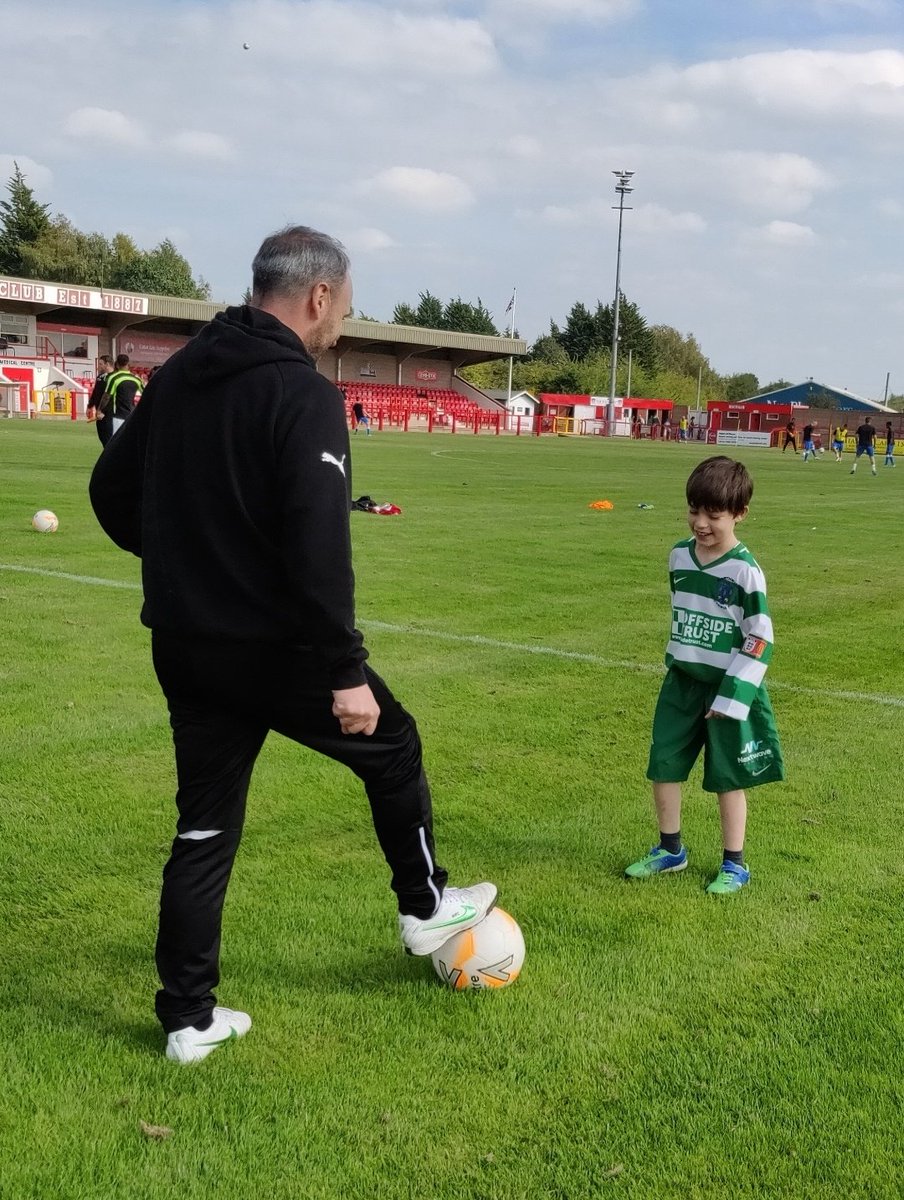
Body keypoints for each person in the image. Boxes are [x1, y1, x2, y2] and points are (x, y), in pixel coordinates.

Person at [89, 225, 497, 1064]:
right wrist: (345, 673)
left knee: (203, 826)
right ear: (316, 297)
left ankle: (188, 1019)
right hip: (272, 648)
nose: (342, 326)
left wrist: (181, 568)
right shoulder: (301, 391)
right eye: (344, 309)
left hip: (184, 643)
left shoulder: (178, 377)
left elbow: (108, 487)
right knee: (393, 743)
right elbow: (319, 544)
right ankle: (424, 906)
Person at [624, 456, 784, 895]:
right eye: (694, 510)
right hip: (681, 683)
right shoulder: (678, 556)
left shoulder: (744, 570)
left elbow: (760, 638)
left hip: (728, 689)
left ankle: (735, 864)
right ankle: (670, 849)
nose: (701, 523)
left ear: (740, 514)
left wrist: (732, 696)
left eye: (713, 515)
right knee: (665, 765)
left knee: (728, 777)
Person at [102, 354, 143, 435]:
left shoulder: (113, 378)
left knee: (116, 442)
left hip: (118, 416)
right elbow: (146, 394)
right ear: (128, 364)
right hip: (132, 416)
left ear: (117, 364)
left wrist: (100, 410)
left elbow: (107, 396)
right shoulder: (136, 379)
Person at [86, 354, 115, 447]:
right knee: (103, 438)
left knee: (109, 439)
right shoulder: (101, 377)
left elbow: (111, 396)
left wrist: (103, 411)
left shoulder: (114, 377)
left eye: (101, 364)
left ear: (107, 364)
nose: (99, 366)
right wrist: (90, 406)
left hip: (109, 414)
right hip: (99, 413)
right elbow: (96, 393)